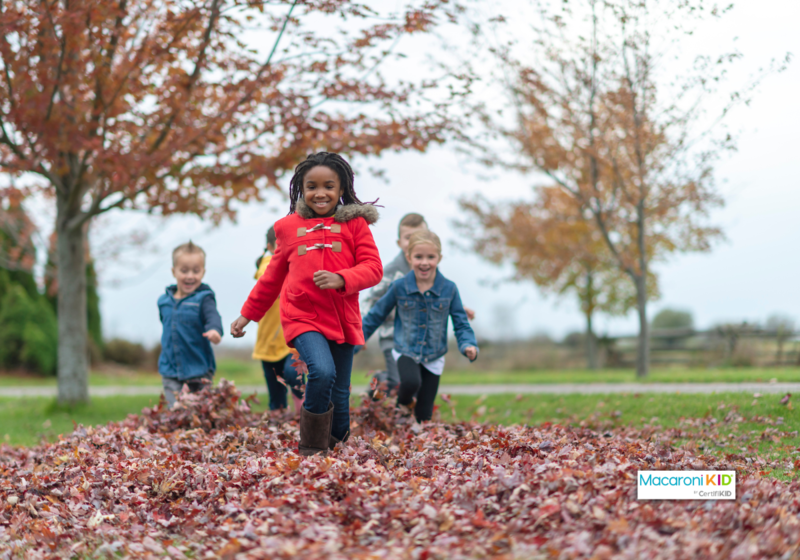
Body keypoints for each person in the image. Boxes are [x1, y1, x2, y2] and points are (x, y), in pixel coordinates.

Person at [231, 152, 383, 456]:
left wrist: (343, 278)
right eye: (312, 186)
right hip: (303, 316)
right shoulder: (287, 228)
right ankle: (311, 449)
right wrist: (247, 315)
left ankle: (337, 450)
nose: (320, 193)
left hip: (342, 318)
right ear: (301, 189)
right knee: (322, 372)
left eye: (329, 186)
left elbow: (373, 268)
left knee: (340, 393)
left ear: (341, 189)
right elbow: (271, 279)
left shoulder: (355, 226)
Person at [361, 230, 479, 422]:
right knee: (410, 382)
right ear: (409, 258)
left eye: (430, 257)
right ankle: (403, 405)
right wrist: (358, 339)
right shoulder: (399, 287)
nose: (424, 262)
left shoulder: (449, 289)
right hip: (406, 349)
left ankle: (416, 438)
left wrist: (468, 345)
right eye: (419, 257)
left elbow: (461, 323)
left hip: (434, 355)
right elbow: (376, 315)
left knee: (424, 413)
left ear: (439, 258)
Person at [158, 241, 223, 408]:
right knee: (176, 411)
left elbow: (212, 317)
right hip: (171, 370)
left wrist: (214, 330)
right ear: (174, 271)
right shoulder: (164, 302)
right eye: (184, 270)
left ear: (203, 272)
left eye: (196, 271)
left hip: (199, 370)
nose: (190, 276)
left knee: (200, 411)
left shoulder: (203, 298)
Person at [253, 226, 305, 414]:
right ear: (269, 247)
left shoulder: (298, 262)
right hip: (269, 341)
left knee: (294, 375)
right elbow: (267, 278)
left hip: (293, 338)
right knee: (276, 393)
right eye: (279, 247)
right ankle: (278, 422)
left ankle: (303, 413)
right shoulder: (266, 264)